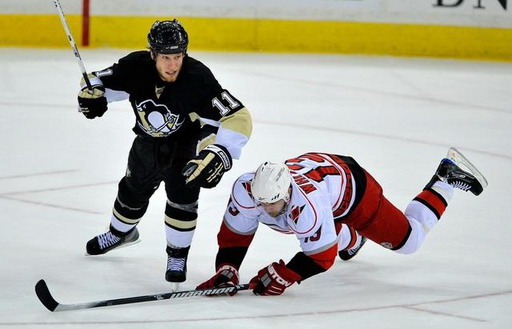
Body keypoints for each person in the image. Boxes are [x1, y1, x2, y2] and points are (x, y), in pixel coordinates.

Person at [76, 19, 252, 285]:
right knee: (131, 192)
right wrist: (93, 95)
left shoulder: (198, 78)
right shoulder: (135, 67)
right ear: (153, 54)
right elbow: (95, 80)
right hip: (146, 145)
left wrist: (220, 152)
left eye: (178, 56)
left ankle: (177, 255)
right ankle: (120, 233)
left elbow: (237, 115)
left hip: (185, 148)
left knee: (182, 200)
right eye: (166, 57)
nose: (173, 65)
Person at [197, 147, 487, 296]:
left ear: (287, 192)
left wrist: (286, 275)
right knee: (334, 243)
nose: (267, 208)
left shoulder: (306, 205)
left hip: (354, 191)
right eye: (262, 203)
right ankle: (350, 237)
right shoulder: (248, 190)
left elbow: (321, 258)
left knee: (410, 241)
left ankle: (445, 178)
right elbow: (235, 235)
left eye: (273, 202)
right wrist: (227, 268)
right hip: (323, 181)